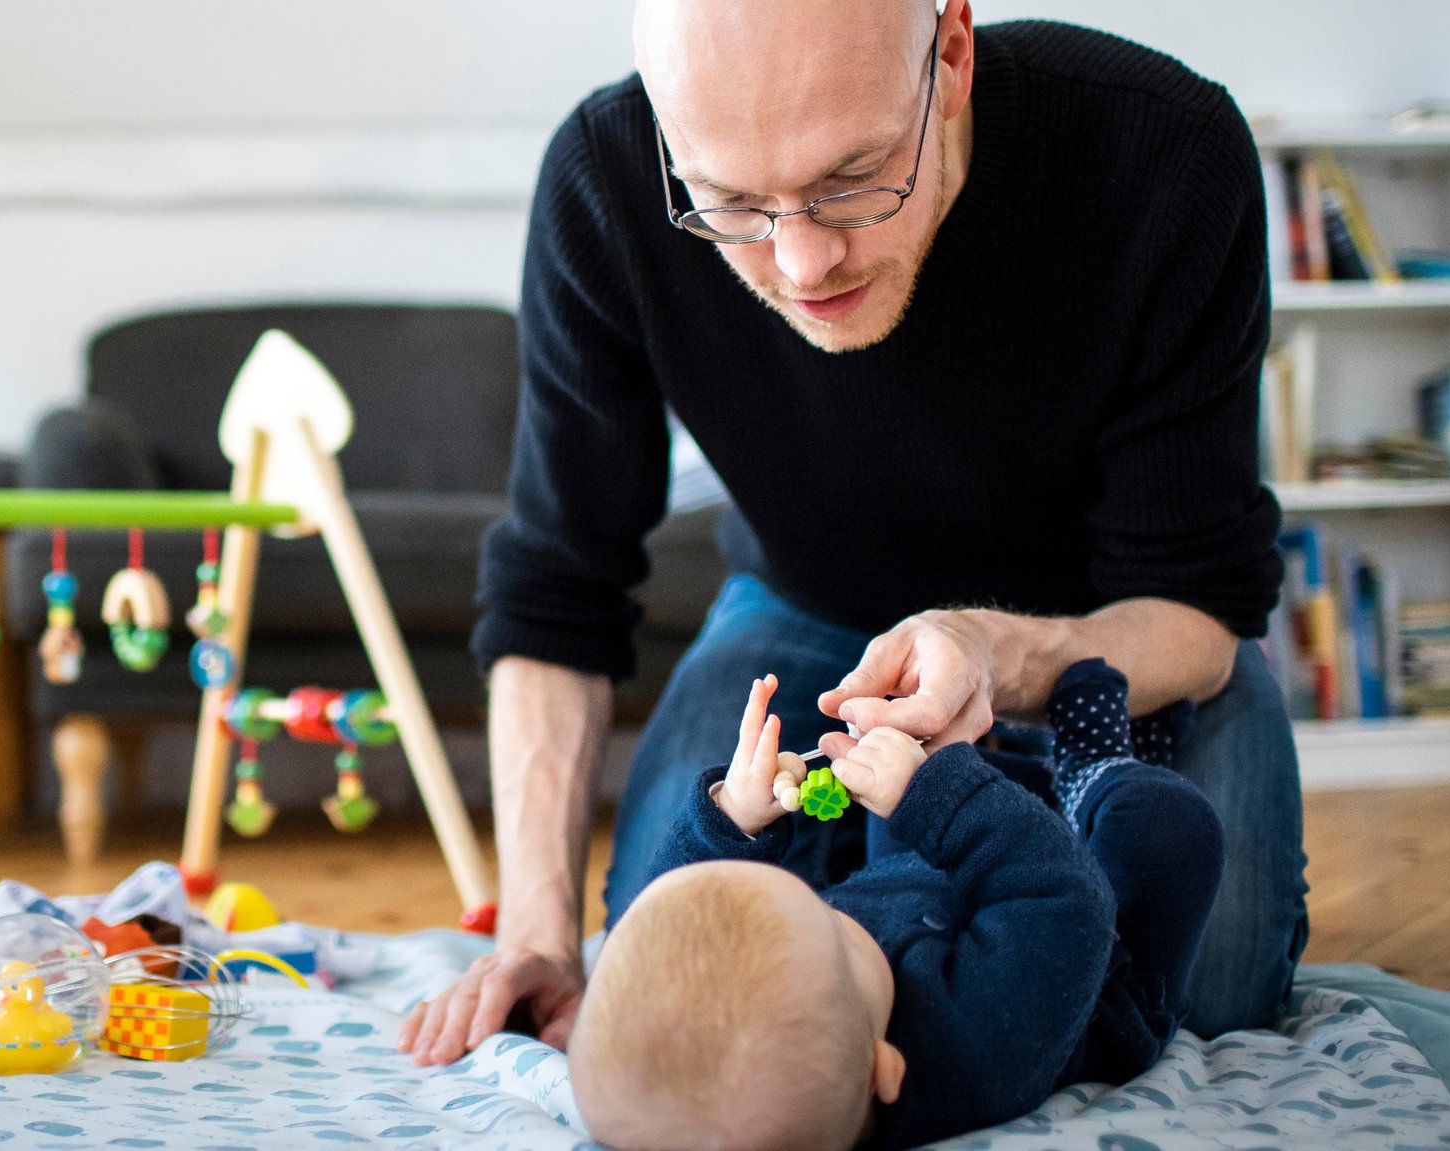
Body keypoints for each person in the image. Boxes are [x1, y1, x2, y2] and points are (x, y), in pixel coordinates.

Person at [398, 0, 1306, 1065]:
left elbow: (1197, 600)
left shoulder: (1162, 149)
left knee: (1210, 976)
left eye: (851, 178)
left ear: (951, 53)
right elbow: (555, 589)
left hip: (1112, 638)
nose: (801, 262)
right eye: (731, 202)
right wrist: (538, 935)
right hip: (800, 604)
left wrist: (995, 649)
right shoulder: (603, 179)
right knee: (677, 970)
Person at [568, 660, 1225, 1150]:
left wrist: (734, 819)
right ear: (887, 1066)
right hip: (1083, 952)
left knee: (902, 803)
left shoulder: (829, 1012)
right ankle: (1098, 761)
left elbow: (667, 917)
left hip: (937, 894)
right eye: (838, 932)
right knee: (1167, 828)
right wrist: (939, 798)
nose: (844, 916)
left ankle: (1002, 763)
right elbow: (1064, 896)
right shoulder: (977, 1048)